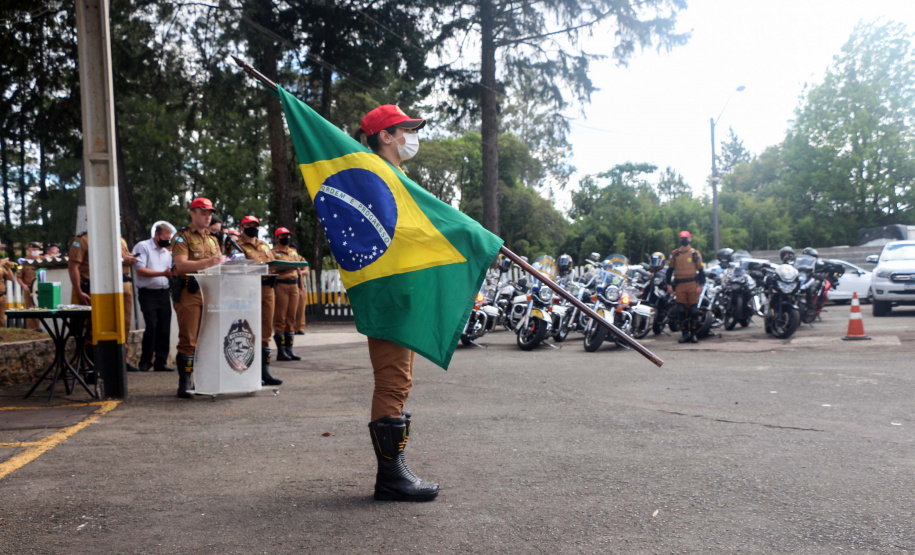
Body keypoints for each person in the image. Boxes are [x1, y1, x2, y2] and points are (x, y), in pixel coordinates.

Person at [352, 104, 439, 502]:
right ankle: (390, 478)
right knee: (392, 381)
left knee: (399, 381)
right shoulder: (377, 177)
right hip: (388, 291)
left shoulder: (393, 175)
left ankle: (394, 472)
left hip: (401, 290)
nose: (412, 136)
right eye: (406, 129)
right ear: (386, 136)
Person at [171, 197, 225, 398]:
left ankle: (203, 380)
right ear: (192, 214)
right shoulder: (182, 237)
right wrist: (209, 262)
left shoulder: (212, 239)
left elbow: (218, 265)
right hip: (190, 292)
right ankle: (185, 383)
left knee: (207, 338)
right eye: (203, 213)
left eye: (209, 213)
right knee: (189, 339)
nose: (207, 216)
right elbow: (181, 265)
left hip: (210, 292)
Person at [68, 231, 141, 370]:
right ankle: (92, 365)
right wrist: (78, 291)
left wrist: (129, 259)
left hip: (122, 284)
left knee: (123, 324)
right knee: (95, 326)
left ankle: (121, 361)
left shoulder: (120, 239)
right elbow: (73, 267)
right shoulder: (82, 240)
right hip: (96, 287)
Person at [237, 215, 282, 386]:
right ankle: (249, 371)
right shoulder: (238, 246)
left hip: (267, 289)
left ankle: (265, 372)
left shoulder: (264, 245)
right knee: (248, 331)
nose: (253, 228)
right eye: (249, 225)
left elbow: (272, 263)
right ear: (243, 227)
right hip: (249, 290)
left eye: (255, 225)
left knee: (265, 331)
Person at [133, 223, 175, 372]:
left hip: (163, 292)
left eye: (169, 238)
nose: (167, 241)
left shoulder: (166, 252)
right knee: (152, 326)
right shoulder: (143, 247)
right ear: (157, 235)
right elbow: (140, 270)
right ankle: (145, 362)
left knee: (164, 327)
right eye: (165, 237)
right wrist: (162, 274)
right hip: (148, 293)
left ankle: (161, 362)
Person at [271, 227, 306, 362]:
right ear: (277, 238)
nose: (286, 237)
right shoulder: (273, 252)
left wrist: (301, 287)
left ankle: (289, 350)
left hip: (294, 285)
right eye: (283, 235)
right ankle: (281, 351)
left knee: (292, 318)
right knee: (281, 318)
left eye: (287, 235)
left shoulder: (293, 252)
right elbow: (271, 268)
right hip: (281, 285)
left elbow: (301, 266)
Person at [666, 230, 705, 344]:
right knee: (681, 310)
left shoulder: (695, 253)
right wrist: (668, 284)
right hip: (680, 285)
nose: (684, 240)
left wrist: (701, 285)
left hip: (692, 285)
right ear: (680, 240)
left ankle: (693, 334)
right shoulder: (675, 253)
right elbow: (670, 270)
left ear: (690, 239)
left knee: (693, 311)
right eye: (682, 238)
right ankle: (684, 334)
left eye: (686, 238)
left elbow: (701, 270)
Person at [17, 242, 43, 330]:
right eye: (33, 250)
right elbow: (19, 277)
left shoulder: (43, 260)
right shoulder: (23, 262)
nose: (35, 251)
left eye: (36, 250)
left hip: (41, 289)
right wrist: (24, 286)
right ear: (29, 250)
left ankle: (41, 328)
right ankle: (32, 329)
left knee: (41, 308)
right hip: (29, 289)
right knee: (30, 309)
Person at [0, 257, 15, 327]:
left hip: (2, 296)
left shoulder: (1, 267)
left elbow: (11, 278)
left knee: (1, 318)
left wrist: (9, 268)